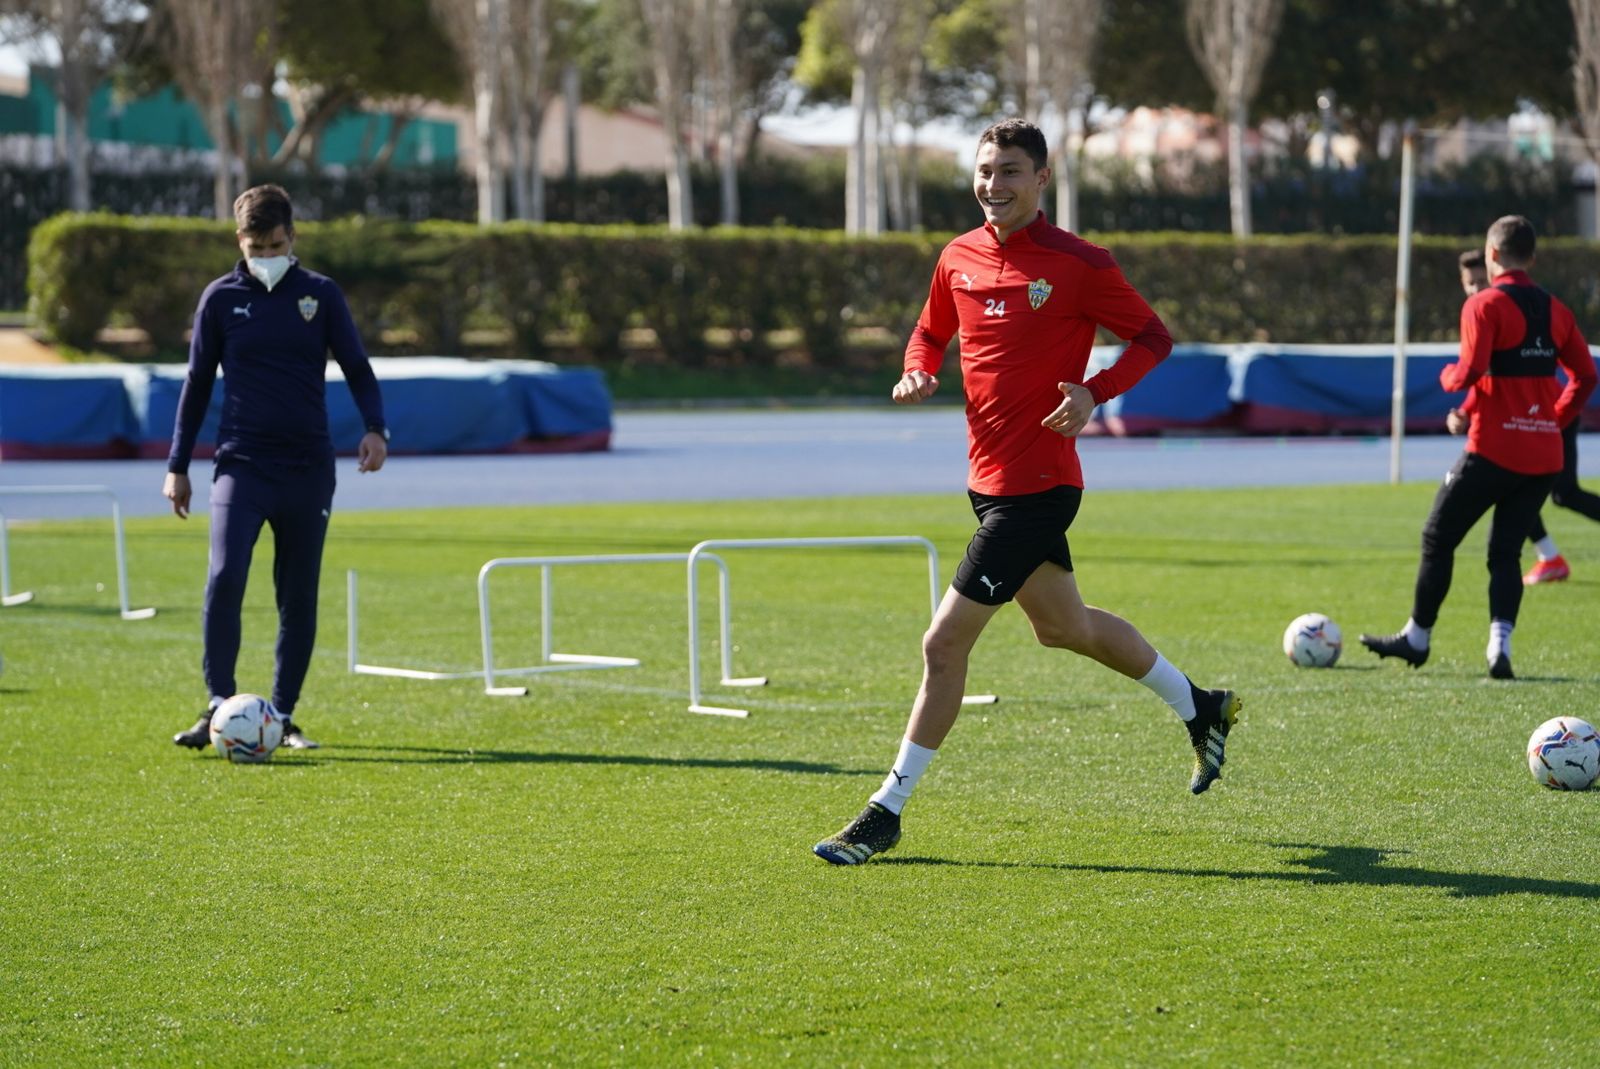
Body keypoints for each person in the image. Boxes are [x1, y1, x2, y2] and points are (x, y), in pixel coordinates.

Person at [811, 118, 1242, 866]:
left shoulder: (1079, 262)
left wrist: (1095, 391)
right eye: (984, 170)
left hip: (1038, 489)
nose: (993, 185)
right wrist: (920, 368)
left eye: (1010, 170)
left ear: (1042, 179)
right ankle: (1199, 704)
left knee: (942, 644)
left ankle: (887, 809)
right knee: (1063, 627)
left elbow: (1153, 337)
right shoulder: (957, 257)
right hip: (986, 483)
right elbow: (928, 333)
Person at [165, 184, 389, 751]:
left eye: (275, 244)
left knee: (297, 594)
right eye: (254, 245)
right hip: (241, 463)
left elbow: (358, 367)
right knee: (224, 577)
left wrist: (375, 428)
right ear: (238, 240)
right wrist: (178, 465)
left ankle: (282, 716)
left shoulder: (321, 295)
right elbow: (195, 387)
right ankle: (219, 706)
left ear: (293, 238)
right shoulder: (219, 299)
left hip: (307, 467)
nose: (265, 255)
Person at [1362, 215, 1596, 680]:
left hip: (1492, 450)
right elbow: (1586, 376)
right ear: (1531, 257)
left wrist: (1448, 378)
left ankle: (1418, 638)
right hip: (1542, 456)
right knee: (1505, 553)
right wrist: (1552, 421)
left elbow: (1468, 371)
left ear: (1491, 255)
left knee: (1437, 537)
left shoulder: (1483, 305)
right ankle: (1498, 648)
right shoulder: (1557, 309)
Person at [1448, 248, 1600, 586]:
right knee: (1525, 486)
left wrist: (1552, 419)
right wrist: (1465, 411)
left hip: (1549, 412)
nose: (1474, 289)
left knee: (1558, 493)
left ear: (1492, 268)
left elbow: (1481, 373)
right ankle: (1550, 557)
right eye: (1468, 284)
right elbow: (1491, 378)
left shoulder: (1513, 307)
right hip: (1533, 418)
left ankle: (1550, 557)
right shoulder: (1488, 310)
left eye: (1478, 281)